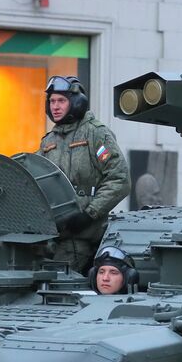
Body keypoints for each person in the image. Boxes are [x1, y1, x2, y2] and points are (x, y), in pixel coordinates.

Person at [38, 75, 131, 273]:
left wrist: (89, 214)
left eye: (61, 101)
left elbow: (119, 178)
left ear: (77, 103)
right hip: (53, 234)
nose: (55, 106)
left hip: (85, 235)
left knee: (55, 283)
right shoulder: (48, 142)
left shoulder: (96, 135)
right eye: (52, 101)